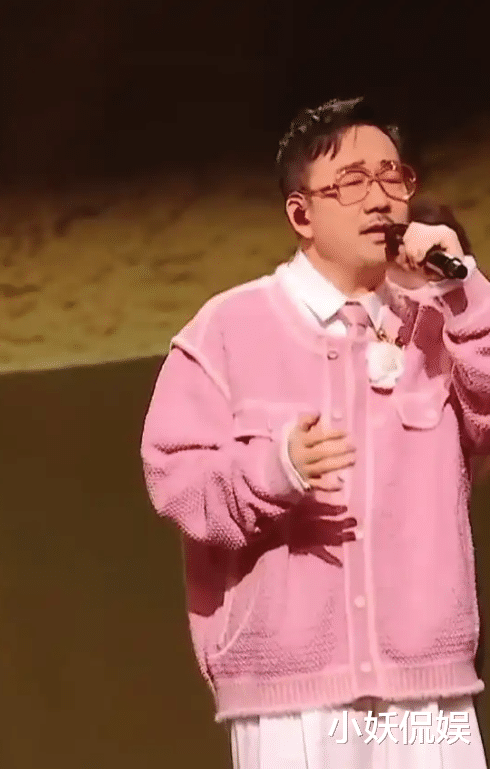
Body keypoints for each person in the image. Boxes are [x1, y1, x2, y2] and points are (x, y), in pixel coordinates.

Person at [141, 96, 490, 768]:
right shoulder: (228, 329)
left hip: (430, 698)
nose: (380, 199)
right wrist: (272, 470)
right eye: (352, 182)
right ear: (301, 213)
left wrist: (464, 288)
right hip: (290, 705)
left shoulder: (442, 322)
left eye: (392, 177)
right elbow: (175, 479)